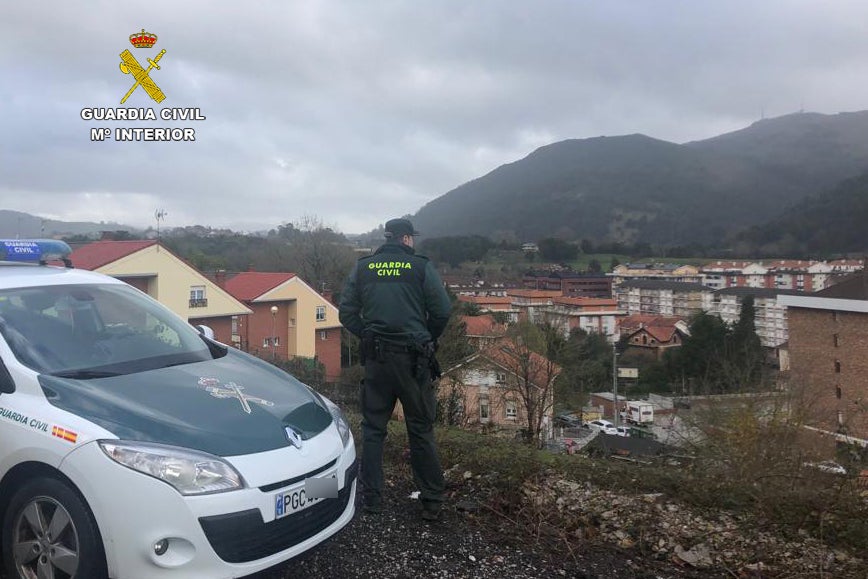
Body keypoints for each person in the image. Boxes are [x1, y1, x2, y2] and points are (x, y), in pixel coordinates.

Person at [339, 217, 452, 521]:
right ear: (405, 239)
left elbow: (346, 311)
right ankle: (431, 500)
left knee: (373, 429)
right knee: (420, 429)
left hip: (377, 360)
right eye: (412, 238)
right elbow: (442, 310)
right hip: (413, 361)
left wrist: (367, 334)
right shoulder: (420, 267)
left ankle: (372, 500)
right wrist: (426, 337)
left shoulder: (364, 267)